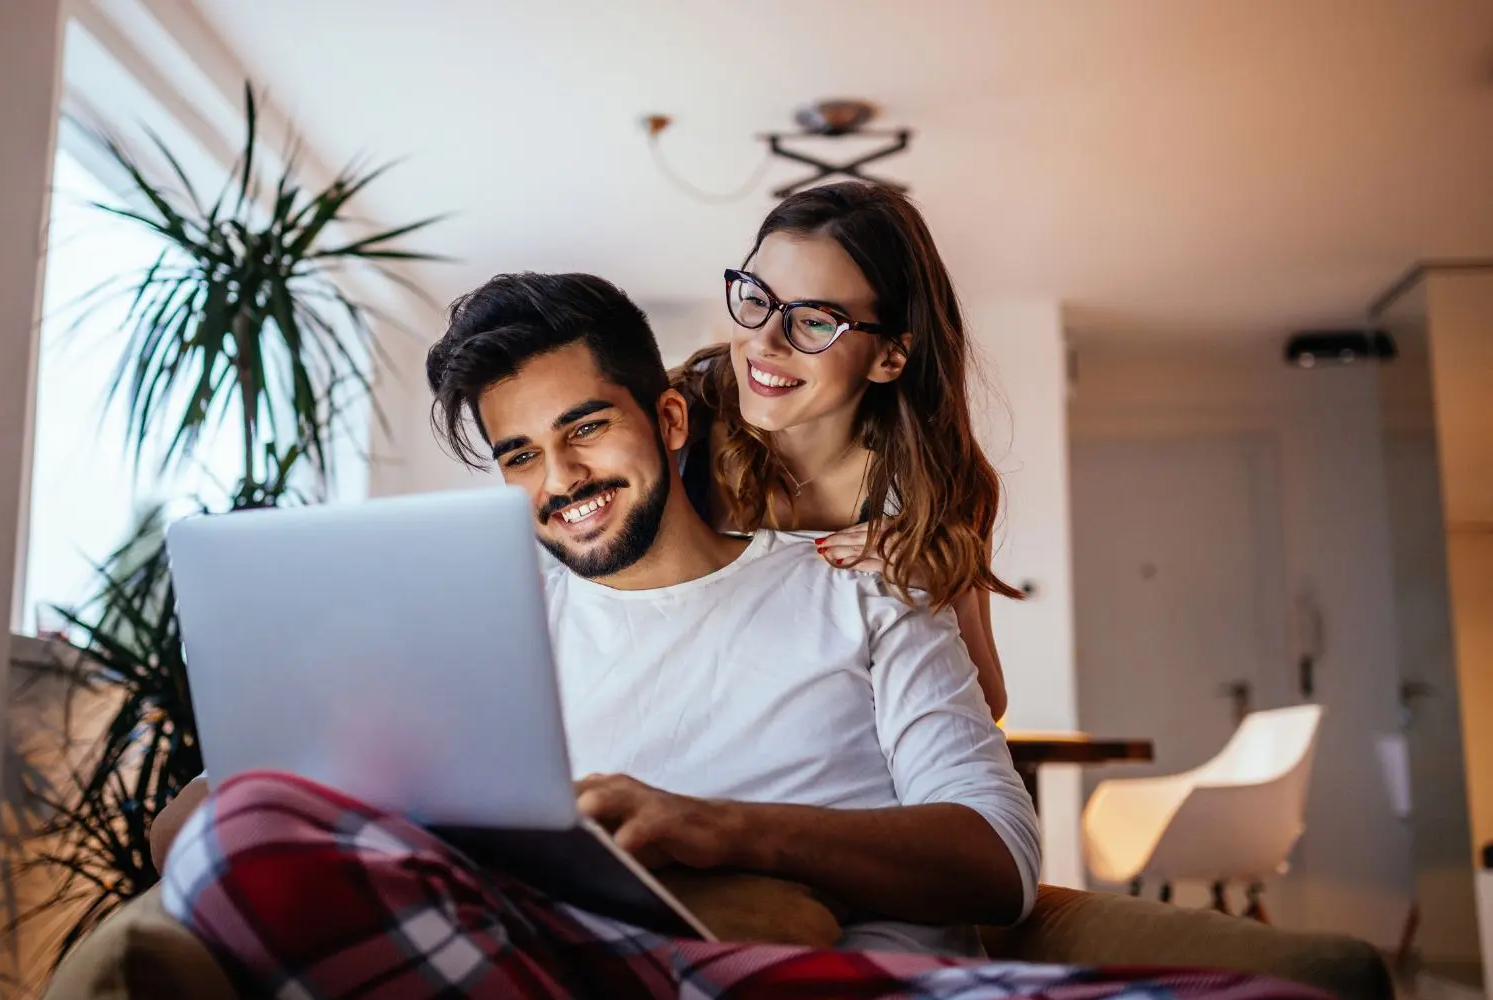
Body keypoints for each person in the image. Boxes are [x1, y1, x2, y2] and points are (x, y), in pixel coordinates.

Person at [152, 272, 1039, 989]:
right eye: (521, 456)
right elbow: (188, 830)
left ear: (670, 420)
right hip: (575, 971)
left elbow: (999, 856)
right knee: (239, 833)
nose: (562, 477)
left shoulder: (863, 586)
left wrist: (718, 830)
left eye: (586, 428)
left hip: (824, 976)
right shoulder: (484, 624)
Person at [675, 181, 1017, 719]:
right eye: (757, 298)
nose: (765, 342)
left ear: (890, 356)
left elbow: (985, 701)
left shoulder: (940, 487)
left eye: (813, 321)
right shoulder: (675, 427)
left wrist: (937, 590)